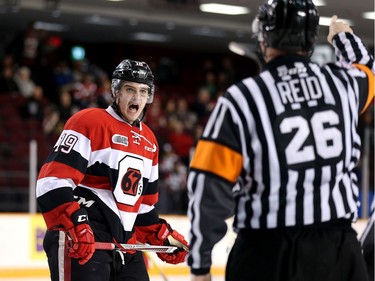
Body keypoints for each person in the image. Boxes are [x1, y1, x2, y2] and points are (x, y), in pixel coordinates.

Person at [186, 0, 374, 280]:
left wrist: (200, 263)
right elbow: (366, 68)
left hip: (267, 252)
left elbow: (208, 184)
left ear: (263, 38)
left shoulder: (242, 98)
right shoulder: (344, 86)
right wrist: (342, 35)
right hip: (337, 251)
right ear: (311, 40)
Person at [36, 59, 189, 281]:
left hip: (126, 244)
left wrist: (161, 236)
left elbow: (142, 206)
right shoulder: (89, 121)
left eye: (143, 91)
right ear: (116, 92)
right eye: (130, 89)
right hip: (84, 236)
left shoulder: (149, 141)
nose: (137, 97)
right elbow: (51, 182)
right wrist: (76, 223)